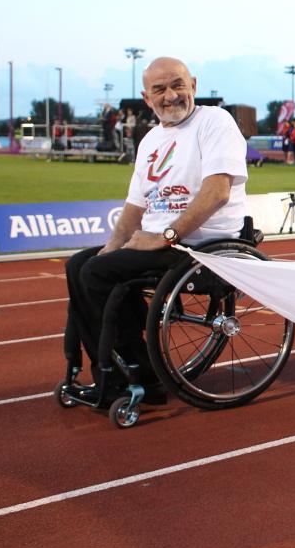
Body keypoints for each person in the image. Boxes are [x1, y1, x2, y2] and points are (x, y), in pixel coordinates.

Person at [62, 57, 248, 404]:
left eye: (178, 85)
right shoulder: (150, 140)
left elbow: (218, 191)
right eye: (159, 89)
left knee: (98, 273)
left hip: (202, 247)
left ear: (193, 84)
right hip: (160, 244)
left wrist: (168, 236)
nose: (170, 95)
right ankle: (123, 369)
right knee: (80, 266)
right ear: (147, 98)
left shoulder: (214, 122)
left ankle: (138, 376)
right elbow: (135, 206)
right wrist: (114, 244)